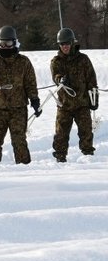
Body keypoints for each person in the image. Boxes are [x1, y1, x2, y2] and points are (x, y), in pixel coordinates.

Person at [0, 25, 39, 165]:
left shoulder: (23, 61)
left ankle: (23, 166)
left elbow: (30, 83)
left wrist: (34, 100)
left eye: (8, 43)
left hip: (18, 108)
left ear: (14, 42)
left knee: (19, 140)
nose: (5, 47)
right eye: (2, 43)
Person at [50, 27, 98, 162]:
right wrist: (60, 79)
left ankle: (88, 157)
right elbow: (55, 76)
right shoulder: (56, 61)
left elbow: (92, 80)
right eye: (62, 44)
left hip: (82, 104)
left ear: (72, 43)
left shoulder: (83, 59)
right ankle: (60, 158)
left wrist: (94, 99)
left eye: (67, 44)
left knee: (86, 133)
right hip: (64, 105)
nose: (64, 47)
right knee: (61, 135)